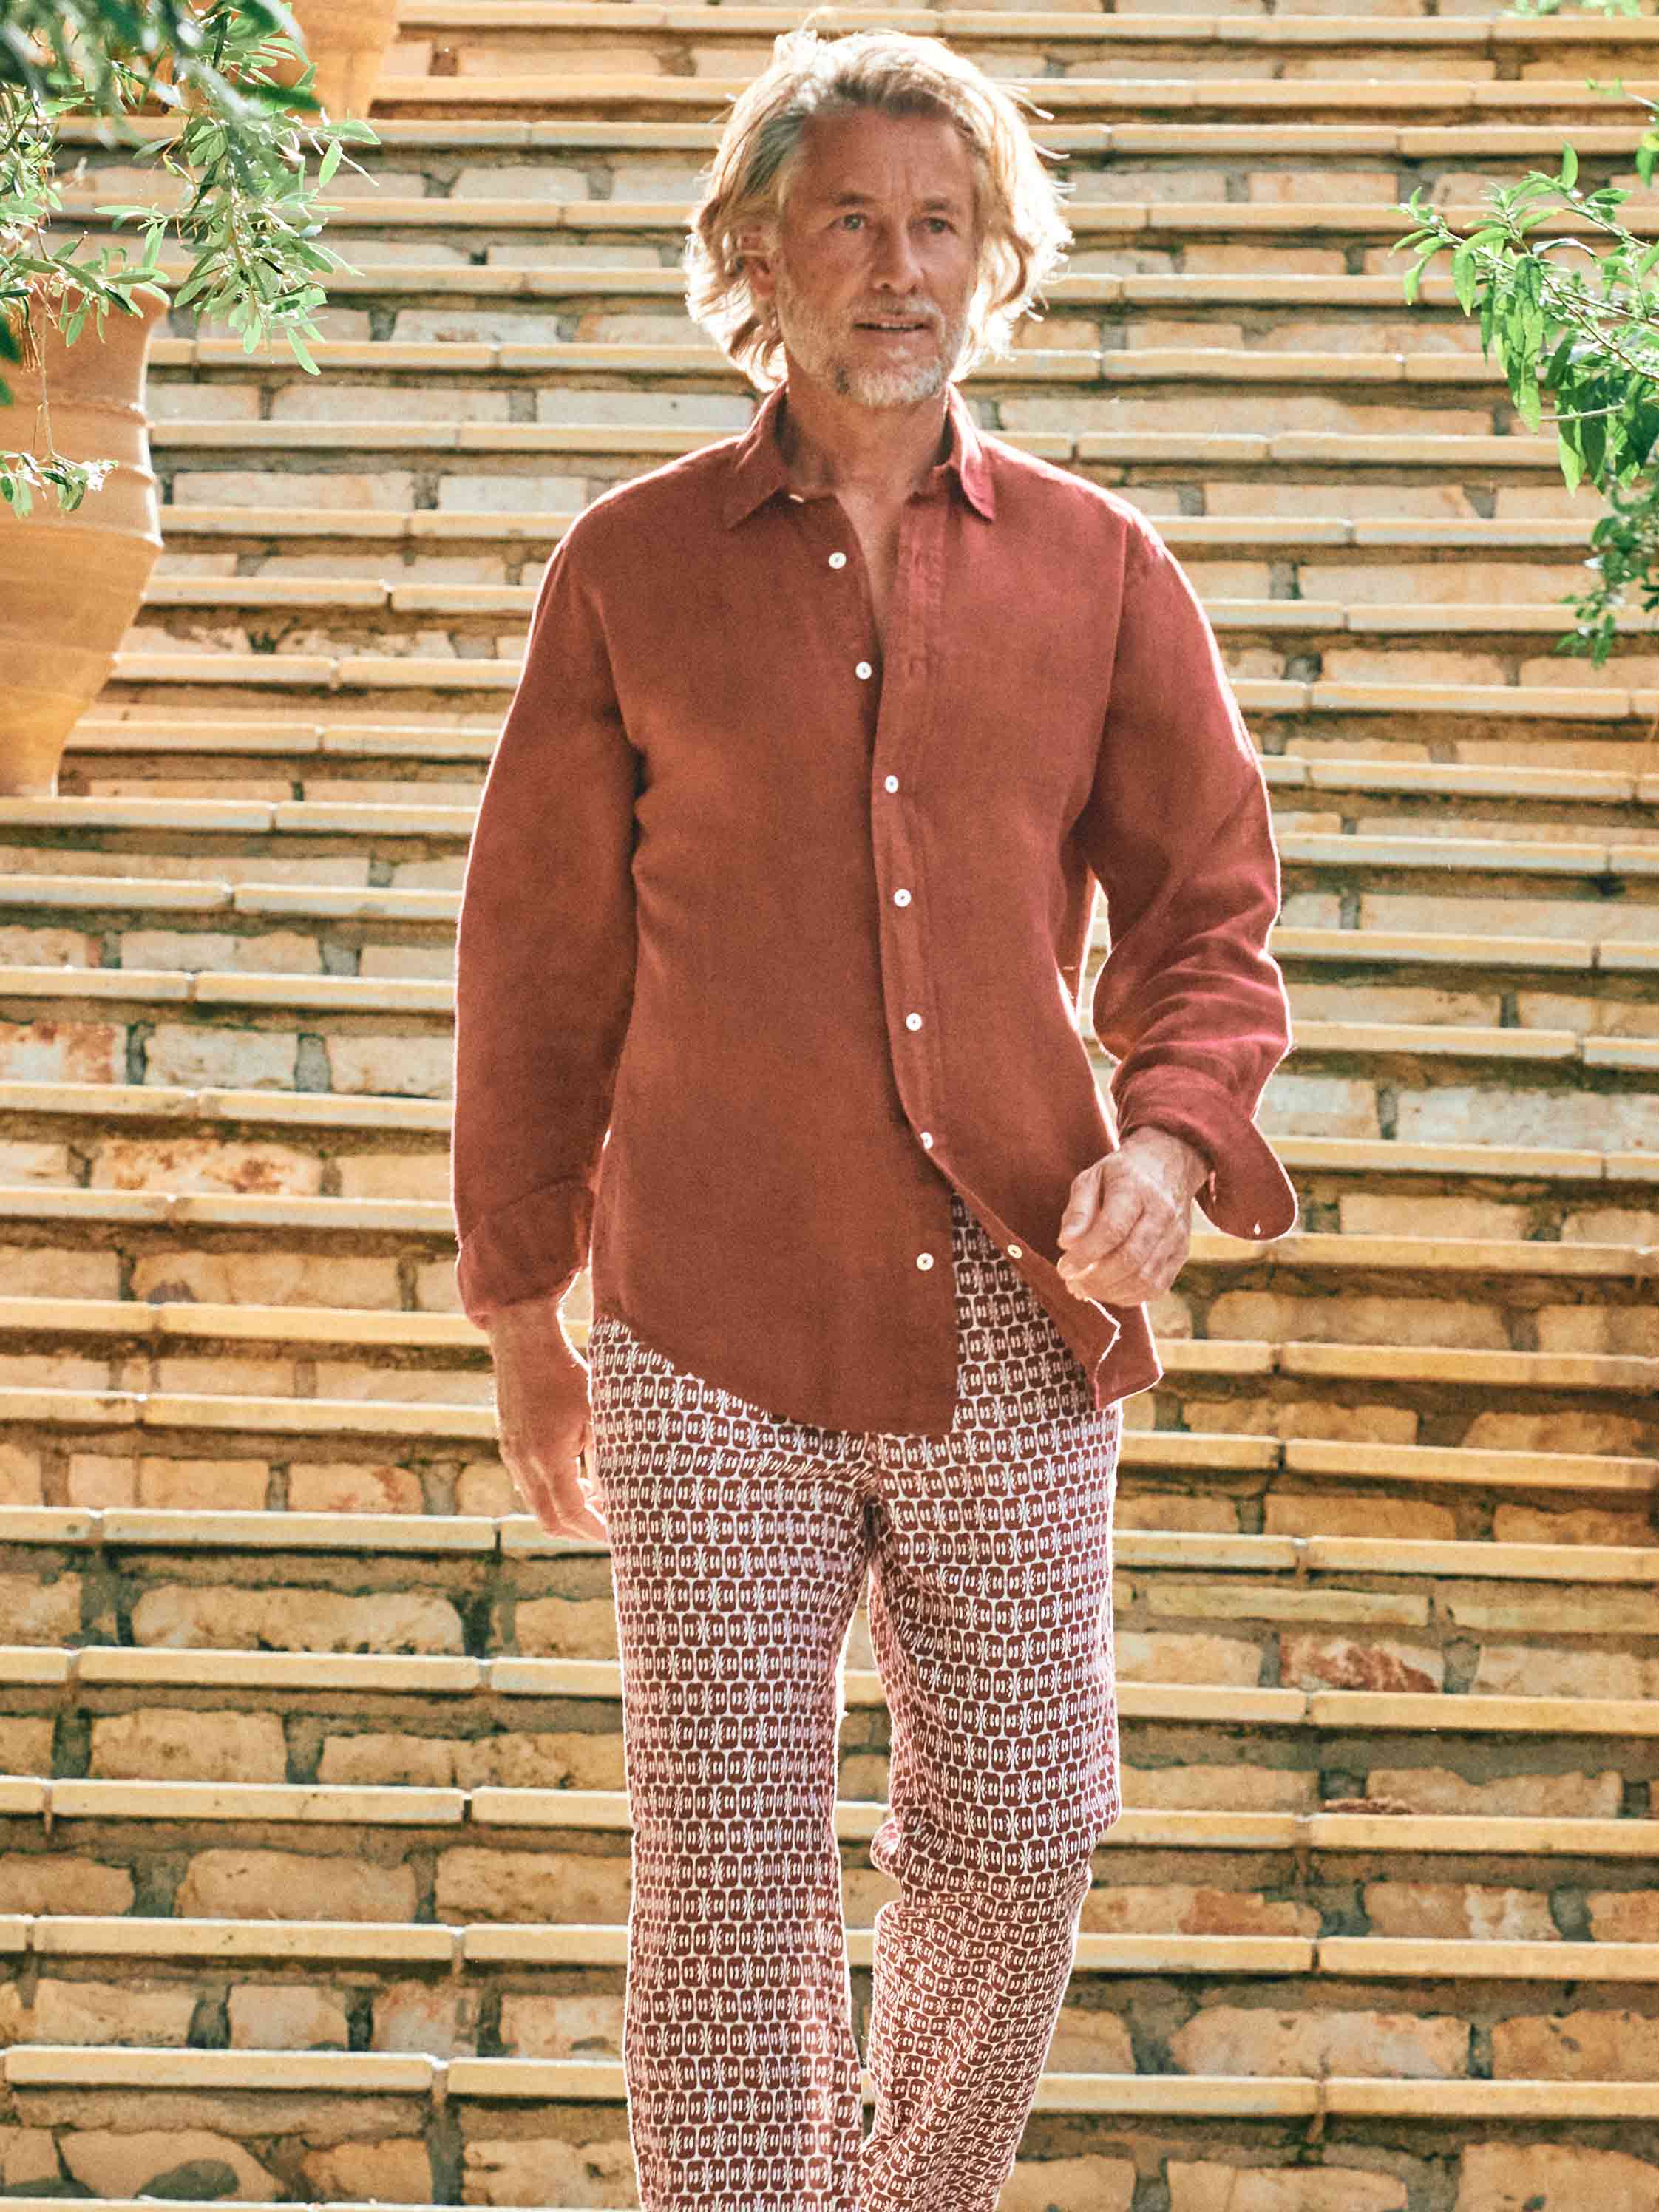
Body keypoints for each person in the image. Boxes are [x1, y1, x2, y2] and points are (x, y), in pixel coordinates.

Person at [450, 16, 1298, 2210]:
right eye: (848, 219)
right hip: (703, 1316)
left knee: (1025, 1820)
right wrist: (519, 1309)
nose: (896, 266)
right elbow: (538, 966)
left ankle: (898, 2198)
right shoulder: (629, 571)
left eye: (942, 224)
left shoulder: (1097, 568)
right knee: (726, 1868)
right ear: (756, 250)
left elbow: (1207, 907)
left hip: (1013, 1311)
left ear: (999, 259)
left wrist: (1168, 1139)